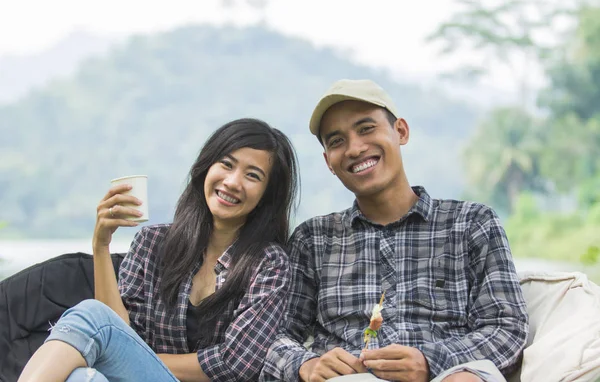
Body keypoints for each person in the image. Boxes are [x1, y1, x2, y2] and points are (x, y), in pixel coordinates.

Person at [260, 80, 529, 382]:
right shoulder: (314, 239)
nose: (355, 148)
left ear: (400, 131)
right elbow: (273, 336)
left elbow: (506, 326)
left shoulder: (472, 223)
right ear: (328, 163)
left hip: (447, 375)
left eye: (366, 129)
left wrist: (431, 361)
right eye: (337, 141)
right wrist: (305, 364)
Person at [18, 118, 300, 382]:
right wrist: (101, 246)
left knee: (93, 319)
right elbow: (122, 329)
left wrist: (127, 353)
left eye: (252, 175)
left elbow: (235, 363)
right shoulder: (153, 242)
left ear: (267, 195)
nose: (232, 181)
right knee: (83, 378)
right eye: (226, 164)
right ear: (206, 167)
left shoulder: (269, 264)